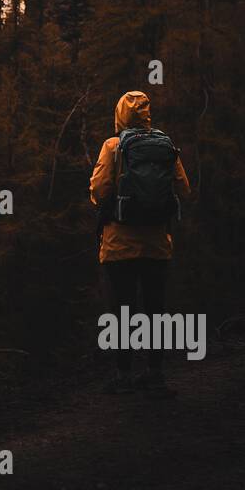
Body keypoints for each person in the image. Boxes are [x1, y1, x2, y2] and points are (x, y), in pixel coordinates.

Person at [89, 90, 190, 395]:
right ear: (147, 114)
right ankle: (155, 374)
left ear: (119, 114)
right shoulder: (165, 144)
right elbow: (184, 189)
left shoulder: (113, 146)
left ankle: (123, 375)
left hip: (119, 245)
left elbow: (99, 189)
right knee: (155, 309)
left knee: (122, 311)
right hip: (157, 244)